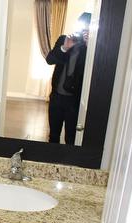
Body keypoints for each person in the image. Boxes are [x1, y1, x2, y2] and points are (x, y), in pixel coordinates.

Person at [46, 12, 91, 145]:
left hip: (74, 101)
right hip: (56, 97)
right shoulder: (64, 39)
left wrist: (91, 47)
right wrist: (64, 47)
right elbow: (50, 60)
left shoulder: (92, 47)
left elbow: (96, 70)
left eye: (87, 27)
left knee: (71, 139)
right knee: (53, 136)